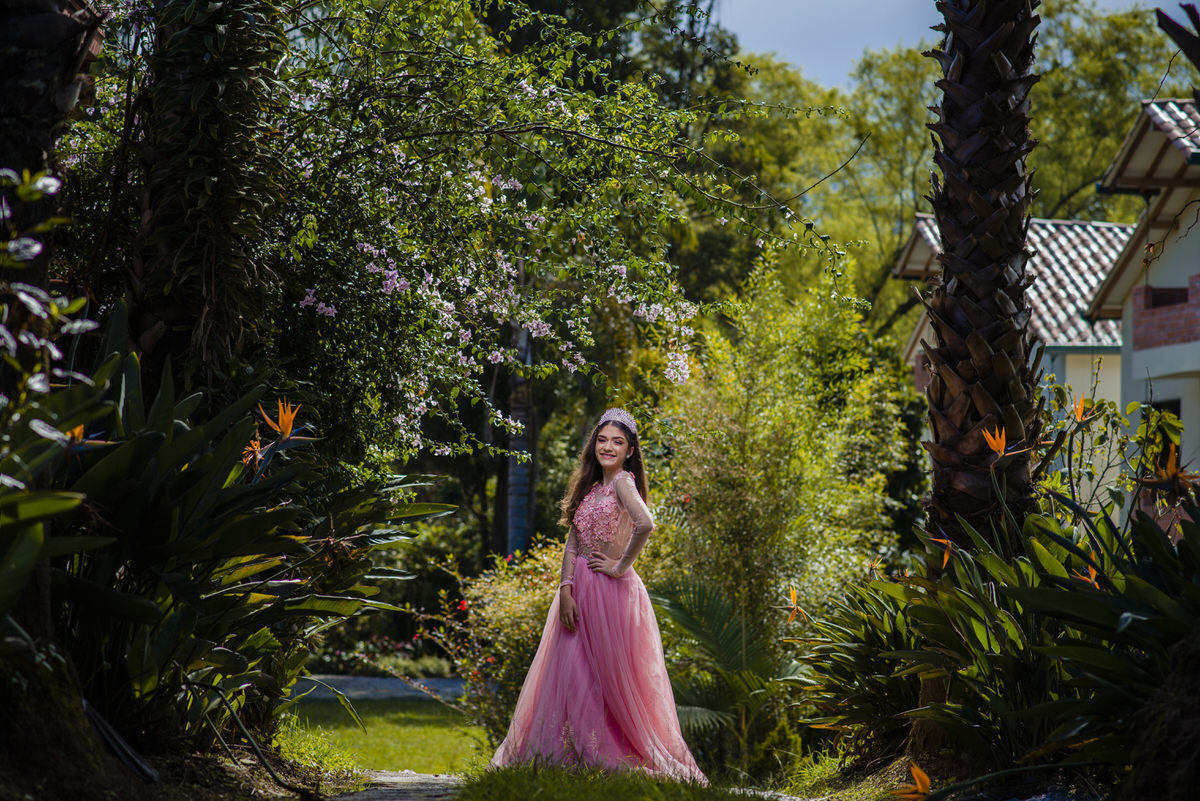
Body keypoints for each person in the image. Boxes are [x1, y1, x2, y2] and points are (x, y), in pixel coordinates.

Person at [490, 408, 707, 784]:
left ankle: (603, 755)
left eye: (617, 442)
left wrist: (622, 566)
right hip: (579, 591)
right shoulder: (591, 488)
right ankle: (568, 756)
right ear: (594, 445)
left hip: (610, 592)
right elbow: (573, 542)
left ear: (630, 451)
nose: (608, 447)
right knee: (574, 671)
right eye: (602, 439)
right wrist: (566, 588)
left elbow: (646, 523)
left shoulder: (623, 482)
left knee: (604, 678)